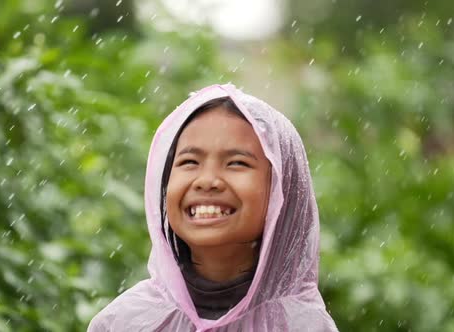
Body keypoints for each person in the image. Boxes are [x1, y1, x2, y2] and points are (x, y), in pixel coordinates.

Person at [88, 84, 338, 331]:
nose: (207, 180)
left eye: (236, 163)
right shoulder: (123, 323)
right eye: (190, 161)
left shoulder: (304, 326)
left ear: (282, 189)